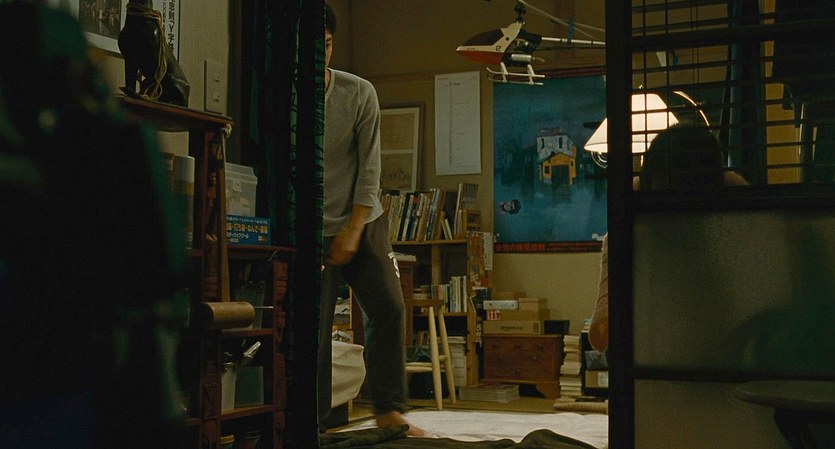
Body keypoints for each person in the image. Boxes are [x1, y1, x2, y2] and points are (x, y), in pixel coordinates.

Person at [318, 2, 424, 436]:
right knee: (313, 325)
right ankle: (312, 419)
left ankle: (389, 410)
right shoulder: (284, 98)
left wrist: (354, 229)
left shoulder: (358, 93)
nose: (320, 55)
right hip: (313, 228)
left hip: (364, 219)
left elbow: (370, 170)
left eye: (326, 45)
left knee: (389, 307)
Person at [588, 124, 747, 352]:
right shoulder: (629, 235)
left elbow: (604, 334)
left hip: (723, 356)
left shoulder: (738, 230)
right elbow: (604, 331)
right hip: (659, 363)